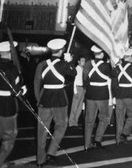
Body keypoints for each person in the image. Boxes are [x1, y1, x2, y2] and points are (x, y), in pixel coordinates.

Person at [34, 38, 75, 167]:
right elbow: (73, 73)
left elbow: (36, 83)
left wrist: (38, 99)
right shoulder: (64, 64)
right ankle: (51, 153)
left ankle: (40, 160)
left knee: (42, 131)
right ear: (62, 51)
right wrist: (70, 61)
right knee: (61, 126)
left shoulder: (42, 64)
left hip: (44, 98)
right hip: (59, 99)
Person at [83, 45, 113, 149]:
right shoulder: (106, 66)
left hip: (90, 94)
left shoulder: (87, 64)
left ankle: (86, 144)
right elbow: (114, 75)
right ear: (102, 53)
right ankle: (97, 140)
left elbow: (85, 80)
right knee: (104, 118)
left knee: (89, 120)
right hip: (102, 95)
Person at [113, 47, 132, 144]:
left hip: (119, 94)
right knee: (131, 115)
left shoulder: (117, 67)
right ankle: (124, 133)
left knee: (119, 117)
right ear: (129, 57)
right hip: (129, 94)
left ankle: (118, 138)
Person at [68, 55, 86, 127]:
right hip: (78, 88)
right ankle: (71, 122)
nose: (84, 62)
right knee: (74, 106)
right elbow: (74, 81)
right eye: (82, 61)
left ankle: (76, 121)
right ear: (78, 62)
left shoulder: (84, 69)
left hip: (83, 88)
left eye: (84, 61)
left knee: (80, 107)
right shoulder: (76, 69)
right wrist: (75, 91)